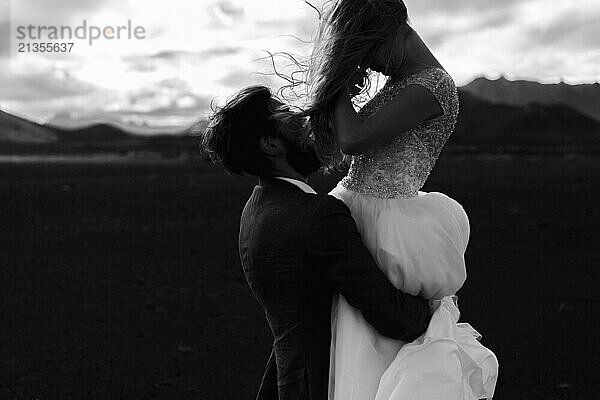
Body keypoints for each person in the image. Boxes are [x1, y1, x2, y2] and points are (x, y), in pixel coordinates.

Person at [302, 1, 499, 399]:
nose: (370, 64)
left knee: (373, 344)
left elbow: (354, 139)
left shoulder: (433, 86)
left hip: (387, 225)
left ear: (395, 31)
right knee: (348, 333)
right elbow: (344, 144)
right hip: (357, 209)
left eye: (370, 49)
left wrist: (339, 83)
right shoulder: (402, 84)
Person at [200, 85, 431, 400]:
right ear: (270, 143)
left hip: (289, 380)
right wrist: (437, 312)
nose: (300, 119)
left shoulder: (255, 210)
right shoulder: (315, 215)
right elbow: (390, 314)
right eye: (284, 113)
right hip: (324, 383)